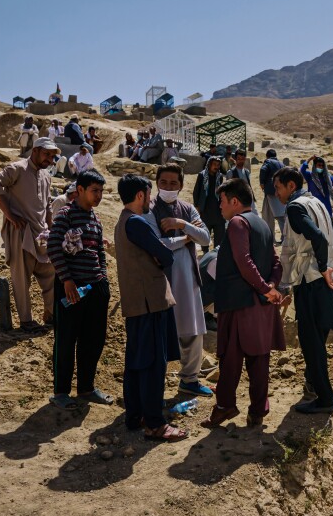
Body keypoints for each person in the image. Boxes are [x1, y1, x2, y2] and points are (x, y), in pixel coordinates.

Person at [200, 177, 286, 428]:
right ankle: (257, 412)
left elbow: (243, 260)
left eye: (222, 201)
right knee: (259, 361)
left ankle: (225, 407)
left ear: (235, 201)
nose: (220, 207)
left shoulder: (237, 223)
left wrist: (262, 288)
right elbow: (276, 262)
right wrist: (270, 287)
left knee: (230, 359)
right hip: (261, 307)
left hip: (239, 305)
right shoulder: (262, 224)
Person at [114, 174, 186, 441]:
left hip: (138, 303)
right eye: (149, 193)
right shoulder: (137, 223)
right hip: (149, 302)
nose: (152, 199)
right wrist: (160, 259)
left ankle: (135, 415)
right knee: (153, 365)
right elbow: (166, 255)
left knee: (137, 363)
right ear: (141, 195)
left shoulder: (123, 222)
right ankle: (155, 424)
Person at [275, 166, 333, 415]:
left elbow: (318, 238)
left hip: (310, 280)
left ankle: (324, 398)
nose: (277, 194)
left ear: (291, 186)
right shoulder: (318, 203)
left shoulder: (294, 207)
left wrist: (323, 267)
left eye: (279, 187)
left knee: (310, 341)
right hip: (325, 280)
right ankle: (314, 384)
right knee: (318, 339)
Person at [47, 169, 113, 410]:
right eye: (95, 191)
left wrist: (102, 280)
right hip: (71, 289)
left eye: (101, 191)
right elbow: (53, 247)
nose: (99, 196)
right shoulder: (66, 215)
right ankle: (61, 392)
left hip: (95, 289)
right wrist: (67, 280)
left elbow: (100, 253)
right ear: (81, 190)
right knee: (65, 339)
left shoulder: (95, 219)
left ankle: (86, 387)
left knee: (93, 340)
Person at [149, 163, 213, 398]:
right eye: (164, 182)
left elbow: (205, 237)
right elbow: (157, 245)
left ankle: (190, 379)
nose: (168, 187)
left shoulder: (187, 209)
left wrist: (180, 225)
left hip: (189, 279)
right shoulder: (149, 209)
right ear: (157, 183)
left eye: (173, 183)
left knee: (193, 332)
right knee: (163, 333)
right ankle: (155, 384)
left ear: (181, 185)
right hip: (162, 280)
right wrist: (187, 238)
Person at [0, 136, 60, 333]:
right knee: (21, 279)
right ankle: (26, 321)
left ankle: (51, 314)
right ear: (34, 151)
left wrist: (51, 230)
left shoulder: (46, 175)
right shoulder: (17, 168)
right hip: (21, 232)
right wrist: (9, 215)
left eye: (52, 156)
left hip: (41, 234)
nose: (50, 160)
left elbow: (48, 206)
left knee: (52, 272)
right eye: (46, 154)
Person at [192, 156, 225, 251]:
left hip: (218, 210)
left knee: (219, 234)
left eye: (218, 165)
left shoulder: (220, 177)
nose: (216, 167)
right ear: (209, 164)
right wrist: (197, 207)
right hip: (205, 209)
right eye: (214, 164)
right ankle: (205, 252)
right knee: (205, 234)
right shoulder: (202, 175)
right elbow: (196, 192)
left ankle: (216, 253)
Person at [258, 148, 286, 242]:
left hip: (271, 191)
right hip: (280, 191)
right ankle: (272, 238)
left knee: (279, 216)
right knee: (268, 215)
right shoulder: (281, 164)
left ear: (267, 156)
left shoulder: (268, 162)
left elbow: (263, 169)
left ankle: (284, 237)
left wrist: (262, 183)